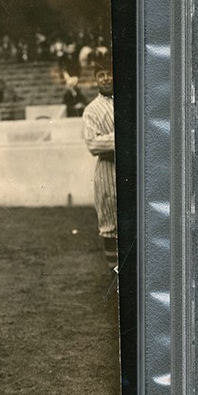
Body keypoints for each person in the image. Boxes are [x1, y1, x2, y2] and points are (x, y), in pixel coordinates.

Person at [82, 61, 118, 272]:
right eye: (101, 75)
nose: (105, 78)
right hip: (107, 170)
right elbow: (93, 144)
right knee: (110, 226)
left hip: (133, 169)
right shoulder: (92, 110)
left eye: (109, 73)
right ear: (96, 79)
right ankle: (114, 277)